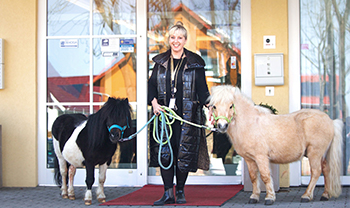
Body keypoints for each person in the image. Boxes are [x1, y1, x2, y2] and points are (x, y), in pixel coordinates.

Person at [148, 21, 210, 205]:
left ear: (185, 40)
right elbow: (151, 86)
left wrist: (211, 106)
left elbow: (203, 90)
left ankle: (180, 191)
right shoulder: (159, 62)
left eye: (180, 38)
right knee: (166, 154)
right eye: (173, 37)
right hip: (164, 118)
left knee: (184, 154)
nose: (176, 41)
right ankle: (168, 193)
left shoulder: (195, 62)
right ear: (169, 40)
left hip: (187, 117)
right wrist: (154, 104)